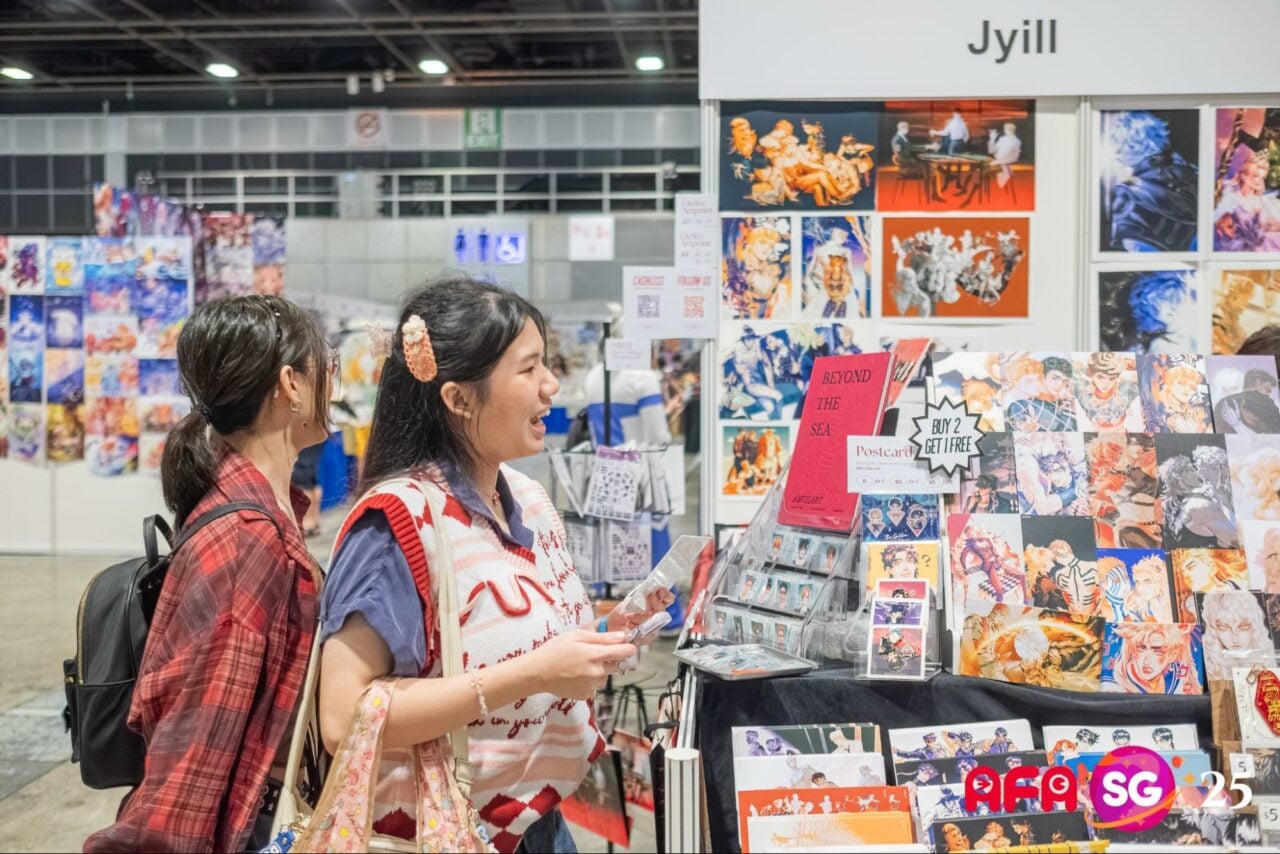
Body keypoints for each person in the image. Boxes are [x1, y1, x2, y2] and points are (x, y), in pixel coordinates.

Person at [317, 278, 643, 853]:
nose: (551, 385)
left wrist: (598, 637)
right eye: (529, 368)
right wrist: (535, 674)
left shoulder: (527, 497)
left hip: (540, 821)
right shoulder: (397, 524)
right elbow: (343, 719)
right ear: (459, 399)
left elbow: (511, 639)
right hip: (449, 834)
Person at [84, 295, 335, 852]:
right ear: (291, 384)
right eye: (328, 366)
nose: (333, 386)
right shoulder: (248, 537)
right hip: (251, 827)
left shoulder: (261, 510)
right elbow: (197, 743)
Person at [584, 326, 685, 632]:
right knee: (655, 546)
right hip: (641, 475)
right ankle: (669, 617)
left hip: (603, 471)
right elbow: (658, 435)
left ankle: (606, 619)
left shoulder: (593, 376)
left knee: (607, 548)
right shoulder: (643, 379)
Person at [987, 122, 1023, 189]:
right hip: (1007, 163)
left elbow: (990, 151)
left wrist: (992, 139)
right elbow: (1015, 158)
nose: (1004, 131)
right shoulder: (1018, 141)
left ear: (1006, 130)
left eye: (1004, 129)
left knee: (982, 165)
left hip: (998, 164)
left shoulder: (1002, 139)